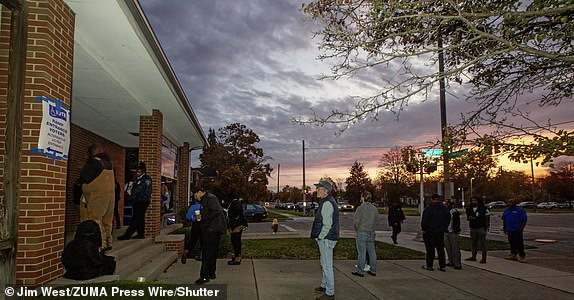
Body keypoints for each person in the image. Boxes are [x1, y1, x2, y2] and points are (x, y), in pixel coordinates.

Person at [78, 143, 115, 251]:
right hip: (110, 196)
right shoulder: (109, 164)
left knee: (95, 220)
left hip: (96, 196)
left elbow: (85, 177)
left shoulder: (95, 162)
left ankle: (99, 245)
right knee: (107, 221)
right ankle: (108, 242)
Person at [311, 180, 339, 300]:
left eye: (319, 188)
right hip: (327, 238)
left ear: (326, 191)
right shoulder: (326, 202)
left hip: (327, 238)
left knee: (327, 265)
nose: (317, 190)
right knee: (323, 263)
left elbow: (327, 225)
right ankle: (324, 285)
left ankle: (330, 293)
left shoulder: (327, 203)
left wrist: (320, 236)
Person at [194, 187, 227, 285]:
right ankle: (211, 273)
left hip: (212, 229)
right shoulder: (205, 200)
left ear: (201, 192)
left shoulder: (210, 198)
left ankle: (204, 276)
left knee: (207, 253)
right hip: (212, 229)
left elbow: (216, 211)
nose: (195, 196)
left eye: (196, 194)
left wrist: (205, 220)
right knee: (212, 252)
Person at [118, 162, 152, 240]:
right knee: (140, 218)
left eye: (138, 171)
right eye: (136, 171)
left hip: (142, 201)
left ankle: (128, 234)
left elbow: (147, 191)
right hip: (137, 200)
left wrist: (143, 199)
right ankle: (140, 234)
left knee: (136, 218)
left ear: (143, 171)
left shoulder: (146, 179)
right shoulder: (138, 179)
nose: (137, 173)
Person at [421, 194, 450, 272]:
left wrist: (424, 229)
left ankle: (429, 265)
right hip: (440, 231)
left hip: (430, 232)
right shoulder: (445, 209)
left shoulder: (428, 209)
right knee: (440, 249)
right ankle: (442, 266)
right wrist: (444, 228)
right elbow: (448, 219)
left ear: (432, 199)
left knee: (430, 250)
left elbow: (425, 220)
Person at [352, 191, 378, 277]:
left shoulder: (360, 208)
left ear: (363, 197)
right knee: (372, 252)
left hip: (362, 232)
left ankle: (360, 271)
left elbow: (356, 221)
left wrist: (357, 229)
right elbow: (376, 221)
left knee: (362, 253)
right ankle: (373, 269)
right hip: (371, 232)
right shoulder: (374, 209)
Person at [465, 196, 491, 263]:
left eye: (475, 200)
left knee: (482, 243)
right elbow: (468, 217)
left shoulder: (484, 208)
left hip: (481, 227)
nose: (473, 202)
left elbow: (487, 217)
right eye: (472, 200)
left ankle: (484, 258)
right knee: (473, 243)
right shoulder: (469, 209)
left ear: (478, 201)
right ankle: (473, 256)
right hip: (473, 227)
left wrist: (487, 225)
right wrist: (470, 218)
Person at [502, 198, 528, 263]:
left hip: (517, 229)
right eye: (508, 202)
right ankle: (513, 254)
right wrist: (504, 227)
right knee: (511, 242)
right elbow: (504, 219)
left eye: (511, 202)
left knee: (519, 243)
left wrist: (521, 228)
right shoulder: (506, 210)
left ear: (515, 203)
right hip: (509, 229)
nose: (509, 204)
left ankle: (522, 255)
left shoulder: (520, 210)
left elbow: (524, 220)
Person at [227, 198, 248, 265]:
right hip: (237, 226)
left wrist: (236, 228)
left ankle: (237, 258)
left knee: (235, 242)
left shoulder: (234, 205)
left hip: (237, 226)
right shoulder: (236, 205)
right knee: (236, 241)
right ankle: (237, 256)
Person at [182, 198, 202, 264]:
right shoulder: (204, 206)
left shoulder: (193, 207)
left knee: (193, 240)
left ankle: (186, 250)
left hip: (195, 224)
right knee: (203, 240)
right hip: (203, 224)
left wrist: (193, 217)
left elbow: (188, 217)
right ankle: (201, 255)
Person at [444, 199, 462, 270]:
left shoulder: (454, 212)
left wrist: (456, 230)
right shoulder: (444, 211)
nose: (446, 205)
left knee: (455, 248)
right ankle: (450, 261)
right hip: (446, 231)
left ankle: (457, 263)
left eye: (448, 204)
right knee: (448, 248)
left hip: (453, 232)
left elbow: (457, 222)